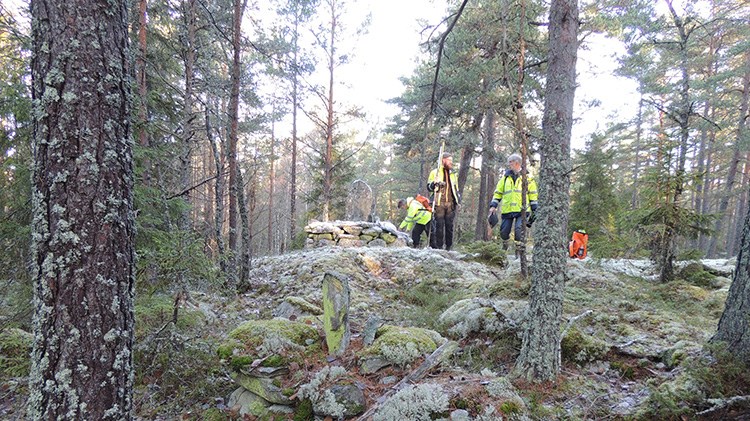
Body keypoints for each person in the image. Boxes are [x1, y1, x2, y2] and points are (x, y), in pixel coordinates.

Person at [488, 153, 538, 253]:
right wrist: (493, 206)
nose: (509, 164)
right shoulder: (505, 178)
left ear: (517, 163)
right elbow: (498, 192)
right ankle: (504, 252)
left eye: (510, 162)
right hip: (507, 210)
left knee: (519, 232)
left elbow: (533, 194)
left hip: (522, 210)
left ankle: (518, 254)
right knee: (504, 232)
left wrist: (534, 209)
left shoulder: (528, 178)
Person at [428, 152, 460, 250]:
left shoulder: (453, 174)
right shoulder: (435, 172)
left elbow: (456, 188)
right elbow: (429, 187)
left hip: (450, 204)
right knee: (439, 227)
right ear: (443, 160)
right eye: (449, 160)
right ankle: (439, 247)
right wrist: (434, 184)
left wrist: (458, 201)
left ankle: (449, 247)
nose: (451, 162)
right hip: (439, 203)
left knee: (449, 227)